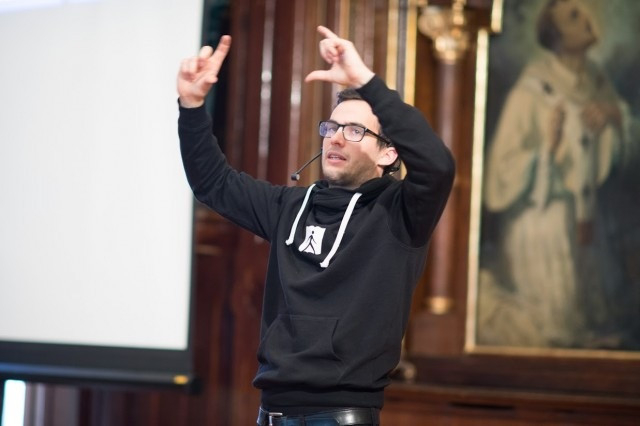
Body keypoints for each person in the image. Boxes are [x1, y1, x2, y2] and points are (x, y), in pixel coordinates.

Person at [177, 25, 454, 425]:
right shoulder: (288, 206)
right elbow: (212, 183)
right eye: (332, 127)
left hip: (341, 414)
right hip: (272, 411)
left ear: (388, 153)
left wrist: (365, 81)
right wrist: (191, 105)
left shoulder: (400, 212)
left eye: (355, 131)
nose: (336, 139)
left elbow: (438, 165)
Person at [479, 0, 638, 348]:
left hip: (592, 223)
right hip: (543, 224)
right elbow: (500, 170)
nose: (587, 20)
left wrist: (614, 116)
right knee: (559, 327)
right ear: (556, 36)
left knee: (601, 324)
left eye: (583, 11)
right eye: (573, 17)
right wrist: (545, 152)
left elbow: (624, 157)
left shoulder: (597, 81)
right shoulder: (532, 88)